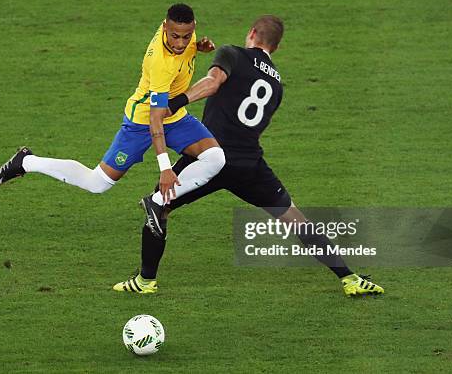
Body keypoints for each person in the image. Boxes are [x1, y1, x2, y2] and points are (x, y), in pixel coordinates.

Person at [113, 15, 384, 297]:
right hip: (249, 164)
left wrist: (177, 102)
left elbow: (213, 82)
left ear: (252, 33)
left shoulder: (234, 54)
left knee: (159, 206)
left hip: (210, 157)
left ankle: (145, 281)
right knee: (294, 217)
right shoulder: (277, 85)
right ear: (275, 47)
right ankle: (350, 278)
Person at [0, 3, 225, 219]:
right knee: (98, 183)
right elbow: (155, 119)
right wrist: (165, 169)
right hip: (143, 122)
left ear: (193, 27)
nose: (180, 43)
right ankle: (27, 162)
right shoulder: (161, 63)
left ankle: (155, 202)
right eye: (175, 36)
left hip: (175, 116)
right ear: (165, 27)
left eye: (186, 37)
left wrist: (198, 46)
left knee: (216, 158)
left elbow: (184, 47)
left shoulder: (185, 32)